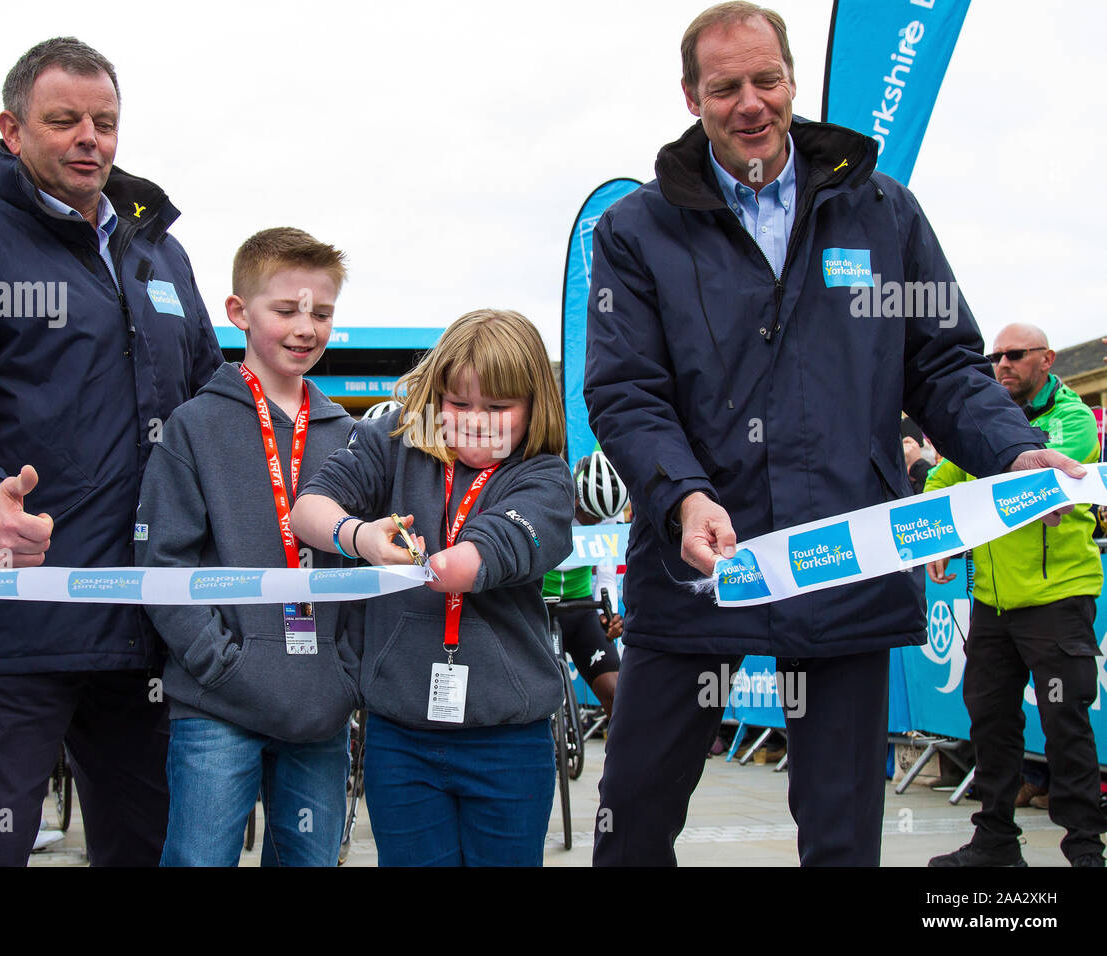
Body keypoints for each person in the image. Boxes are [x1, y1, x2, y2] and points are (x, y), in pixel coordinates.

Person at [583, 2, 1082, 866]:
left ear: (793, 80)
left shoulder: (881, 211)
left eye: (766, 80)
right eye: (725, 86)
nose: (750, 103)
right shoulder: (637, 229)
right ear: (690, 95)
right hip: (697, 564)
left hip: (846, 555)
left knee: (843, 831)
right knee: (632, 811)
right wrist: (683, 494)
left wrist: (1011, 449)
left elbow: (944, 365)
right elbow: (628, 393)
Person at [0, 37, 223, 866]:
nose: (89, 139)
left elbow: (211, 397)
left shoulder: (159, 252)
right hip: (19, 622)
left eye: (104, 122)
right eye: (64, 120)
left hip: (149, 623)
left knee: (145, 851)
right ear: (12, 129)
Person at [292, 309, 575, 866]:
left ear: (534, 406)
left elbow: (487, 553)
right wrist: (360, 537)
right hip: (401, 742)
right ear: (436, 393)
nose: (476, 421)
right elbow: (308, 508)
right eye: (459, 403)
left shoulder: (542, 474)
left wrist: (435, 564)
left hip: (509, 744)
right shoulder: (394, 440)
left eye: (498, 408)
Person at [136, 227, 357, 867]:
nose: (305, 327)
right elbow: (163, 563)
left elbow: (367, 566)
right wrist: (220, 663)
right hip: (216, 707)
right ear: (238, 313)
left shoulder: (346, 433)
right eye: (285, 310)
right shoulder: (194, 425)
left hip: (320, 709)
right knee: (199, 859)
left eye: (321, 312)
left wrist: (345, 670)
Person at [926, 324, 1105, 867]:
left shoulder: (1072, 419)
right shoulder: (984, 428)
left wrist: (970, 494)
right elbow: (939, 484)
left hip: (1057, 599)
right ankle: (996, 842)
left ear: (1047, 360)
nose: (1001, 364)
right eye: (994, 356)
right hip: (994, 604)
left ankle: (1084, 853)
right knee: (990, 721)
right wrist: (939, 536)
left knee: (1063, 725)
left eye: (1014, 355)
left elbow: (1027, 488)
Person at [543, 451, 627, 715]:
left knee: (618, 694)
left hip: (580, 610)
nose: (598, 524)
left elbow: (606, 574)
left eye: (605, 520)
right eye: (592, 517)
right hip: (535, 608)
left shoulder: (609, 514)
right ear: (576, 499)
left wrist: (608, 614)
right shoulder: (550, 502)